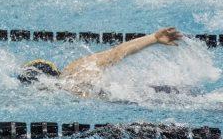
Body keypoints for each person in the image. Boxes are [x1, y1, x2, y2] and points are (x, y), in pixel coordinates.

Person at [17, 28, 185, 98]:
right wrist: (153, 38)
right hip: (146, 92)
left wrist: (154, 38)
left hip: (141, 97)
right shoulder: (75, 69)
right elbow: (117, 53)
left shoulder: (71, 78)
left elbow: (117, 53)